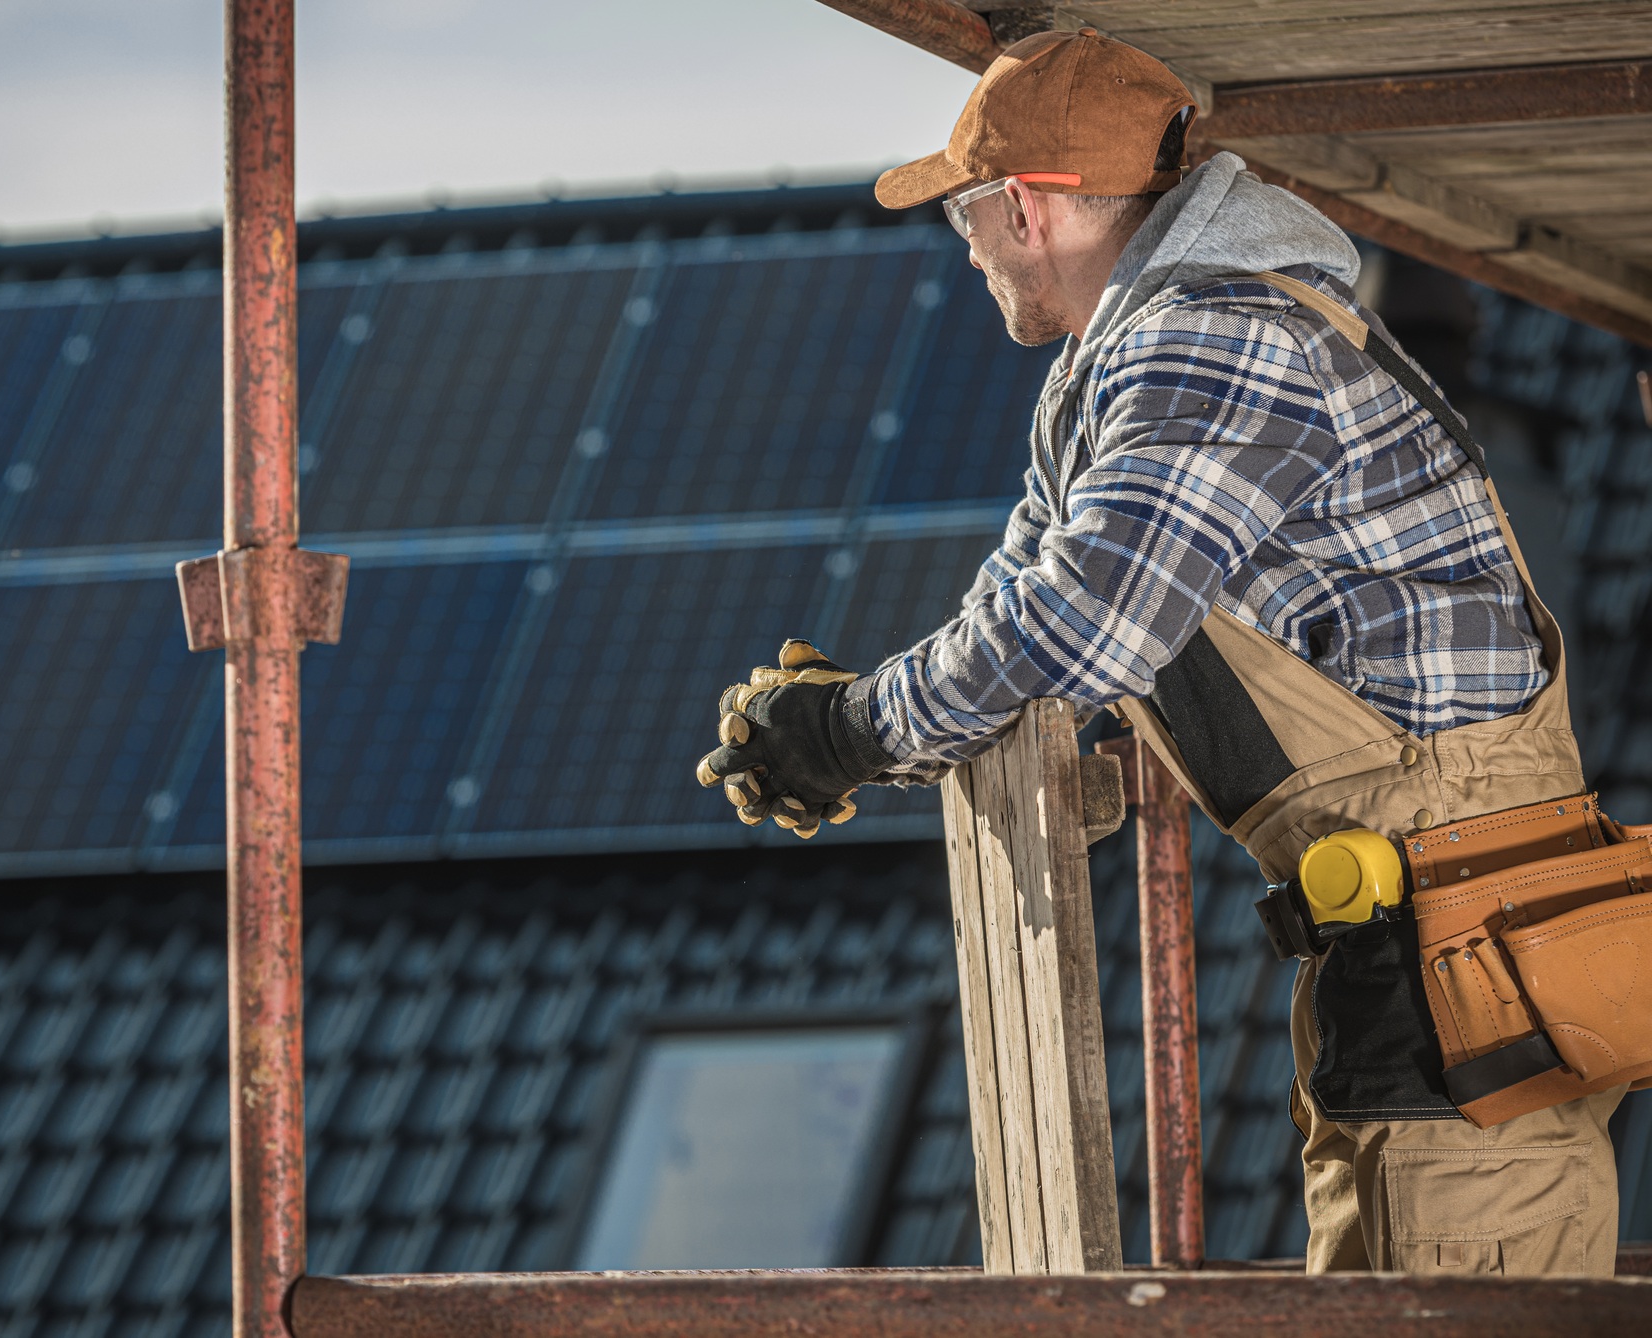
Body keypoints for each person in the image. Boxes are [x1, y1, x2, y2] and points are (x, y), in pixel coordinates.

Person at [697, 27, 1636, 1275]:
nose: (965, 248)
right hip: (1400, 938)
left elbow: (1080, 623)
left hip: (1462, 946)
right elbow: (1018, 601)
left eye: (965, 215)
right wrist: (863, 724)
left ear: (1025, 206)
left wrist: (858, 729)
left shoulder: (1216, 335)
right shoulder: (1121, 364)